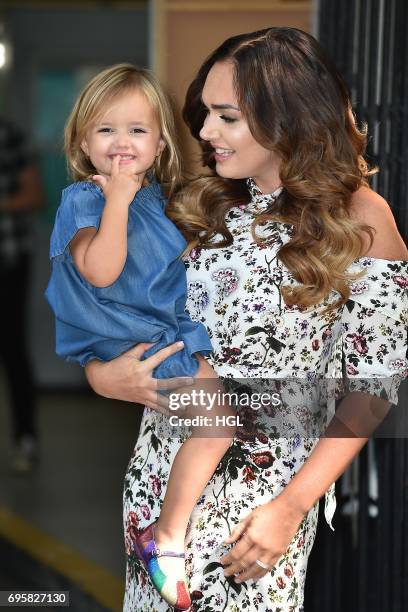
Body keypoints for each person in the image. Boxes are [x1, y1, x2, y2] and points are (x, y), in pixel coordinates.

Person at [85, 28, 407, 611]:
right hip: (159, 483)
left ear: (289, 118)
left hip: (263, 503)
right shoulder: (199, 203)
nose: (205, 133)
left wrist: (290, 508)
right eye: (205, 114)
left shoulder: (361, 216)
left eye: (226, 116)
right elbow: (119, 321)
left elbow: (374, 389)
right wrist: (104, 378)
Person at [45, 63, 236, 610]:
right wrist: (118, 201)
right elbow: (101, 271)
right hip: (131, 337)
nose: (122, 143)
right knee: (219, 419)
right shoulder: (88, 199)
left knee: (217, 420)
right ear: (83, 141)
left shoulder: (159, 200)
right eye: (105, 130)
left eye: (137, 130)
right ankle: (167, 535)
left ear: (159, 142)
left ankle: (169, 531)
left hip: (161, 331)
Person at [0, 116, 43, 474]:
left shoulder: (8, 132)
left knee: (12, 349)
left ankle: (26, 439)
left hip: (8, 260)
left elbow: (34, 194)